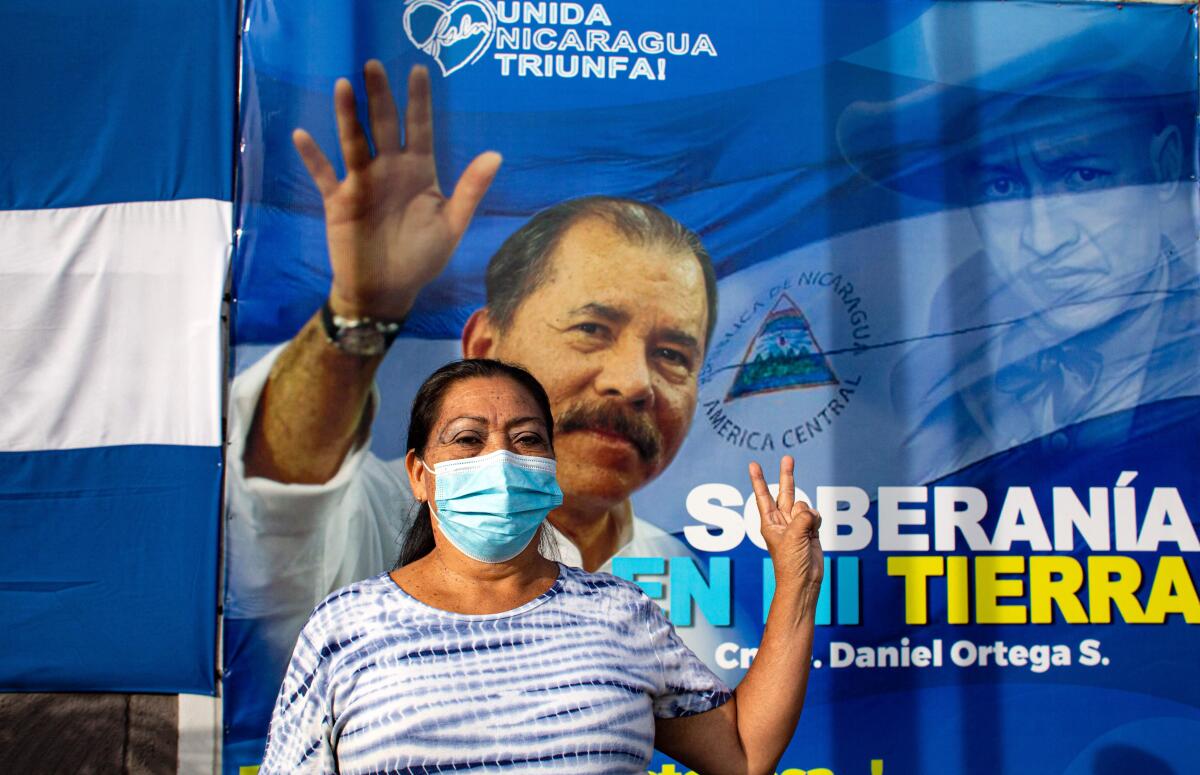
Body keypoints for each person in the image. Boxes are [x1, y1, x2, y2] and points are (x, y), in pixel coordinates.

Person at [223, 60, 737, 700]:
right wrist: (362, 313)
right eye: (592, 329)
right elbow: (283, 493)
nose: (634, 383)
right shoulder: (388, 521)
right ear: (485, 346)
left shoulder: (669, 572)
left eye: (671, 354)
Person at [258, 357, 824, 774]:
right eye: (468, 439)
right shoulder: (345, 629)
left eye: (526, 439)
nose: (500, 458)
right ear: (419, 474)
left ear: (550, 471)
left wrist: (797, 577)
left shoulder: (619, 615)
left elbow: (744, 753)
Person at [836, 4, 1198, 483]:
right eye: (1001, 188)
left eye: (1084, 178)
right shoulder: (936, 378)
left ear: (1166, 165)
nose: (1042, 239)